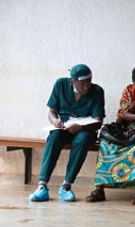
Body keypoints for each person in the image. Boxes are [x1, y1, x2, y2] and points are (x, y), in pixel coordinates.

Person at [86, 65, 135, 204]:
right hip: (124, 132)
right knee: (105, 146)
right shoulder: (128, 91)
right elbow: (123, 113)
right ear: (133, 81)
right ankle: (99, 189)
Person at [29, 64, 105, 202]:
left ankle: (66, 186)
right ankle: (42, 186)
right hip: (64, 126)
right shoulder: (60, 84)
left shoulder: (97, 91)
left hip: (85, 130)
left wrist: (80, 128)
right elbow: (52, 111)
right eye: (83, 83)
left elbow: (98, 121)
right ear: (72, 81)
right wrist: (55, 121)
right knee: (54, 137)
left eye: (89, 81)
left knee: (82, 140)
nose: (87, 86)